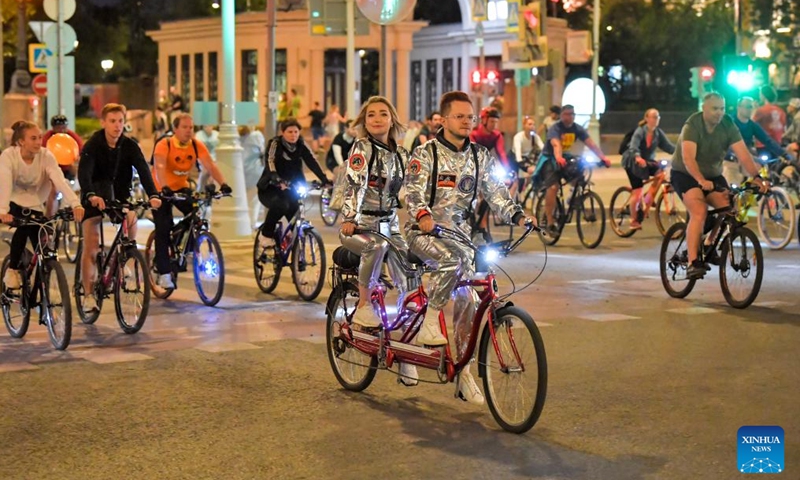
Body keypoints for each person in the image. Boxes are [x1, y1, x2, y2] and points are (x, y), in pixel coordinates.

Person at [405, 91, 535, 405]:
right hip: (424, 233)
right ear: (445, 119)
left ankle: (463, 373)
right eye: (460, 116)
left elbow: (496, 193)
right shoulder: (426, 154)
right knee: (452, 261)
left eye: (470, 117)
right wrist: (422, 215)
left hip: (461, 235)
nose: (466, 122)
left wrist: (518, 215)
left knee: (470, 301)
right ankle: (429, 320)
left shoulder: (479, 156)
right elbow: (412, 192)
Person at [338, 96, 417, 386]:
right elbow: (354, 184)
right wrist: (349, 215)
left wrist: (425, 214)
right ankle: (362, 304)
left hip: (391, 224)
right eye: (371, 115)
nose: (377, 119)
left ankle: (406, 355)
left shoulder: (403, 154)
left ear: (392, 120)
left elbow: (413, 189)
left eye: (383, 114)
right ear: (364, 121)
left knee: (412, 276)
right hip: (360, 225)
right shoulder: (362, 148)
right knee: (377, 246)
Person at [670, 92, 768, 280]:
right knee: (699, 210)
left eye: (722, 108)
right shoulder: (693, 124)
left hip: (713, 175)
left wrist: (756, 177)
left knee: (729, 207)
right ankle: (693, 262)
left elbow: (743, 154)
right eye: (714, 108)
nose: (719, 113)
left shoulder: (728, 125)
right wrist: (700, 180)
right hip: (685, 174)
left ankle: (708, 244)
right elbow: (688, 158)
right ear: (704, 109)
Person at [78, 103, 162, 313]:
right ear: (103, 123)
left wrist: (153, 194)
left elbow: (143, 169)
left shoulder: (129, 145)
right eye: (113, 121)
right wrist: (90, 195)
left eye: (120, 121)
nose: (117, 126)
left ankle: (124, 258)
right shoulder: (93, 145)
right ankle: (88, 294)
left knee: (131, 217)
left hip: (120, 195)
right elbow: (85, 173)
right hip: (95, 196)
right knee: (92, 244)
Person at [0, 121, 84, 289]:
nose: (39, 142)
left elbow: (59, 180)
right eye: (33, 138)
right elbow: (5, 183)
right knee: (24, 227)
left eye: (40, 137)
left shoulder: (46, 156)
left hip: (36, 201)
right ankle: (13, 269)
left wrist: (75, 204)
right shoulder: (9, 156)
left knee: (43, 240)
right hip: (13, 200)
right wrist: (3, 210)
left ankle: (41, 283)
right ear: (21, 142)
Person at [151, 114, 230, 289]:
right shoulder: (165, 144)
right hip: (160, 189)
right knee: (163, 227)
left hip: (180, 187)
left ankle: (182, 248)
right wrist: (164, 188)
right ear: (175, 129)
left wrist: (223, 184)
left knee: (195, 213)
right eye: (185, 127)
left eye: (191, 128)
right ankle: (163, 273)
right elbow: (160, 167)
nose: (189, 131)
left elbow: (210, 165)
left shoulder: (195, 145)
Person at [532, 104, 611, 236]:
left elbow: (591, 144)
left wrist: (603, 157)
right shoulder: (555, 128)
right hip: (550, 158)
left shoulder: (577, 128)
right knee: (553, 187)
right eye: (568, 114)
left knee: (579, 178)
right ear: (562, 116)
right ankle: (549, 221)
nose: (571, 116)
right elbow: (556, 144)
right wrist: (558, 156)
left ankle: (572, 199)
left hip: (566, 157)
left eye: (573, 114)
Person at [255, 118, 329, 247]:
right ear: (282, 132)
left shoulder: (301, 144)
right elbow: (270, 162)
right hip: (270, 188)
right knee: (281, 205)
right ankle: (266, 235)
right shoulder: (275, 144)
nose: (293, 135)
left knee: (296, 212)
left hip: (292, 187)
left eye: (296, 132)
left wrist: (324, 179)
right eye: (290, 132)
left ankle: (292, 245)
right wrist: (276, 179)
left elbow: (312, 161)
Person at [622, 108, 675, 230]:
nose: (656, 120)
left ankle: (647, 198)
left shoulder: (658, 133)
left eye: (658, 117)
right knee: (637, 190)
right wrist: (638, 157)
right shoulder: (640, 131)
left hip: (648, 162)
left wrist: (681, 152)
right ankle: (634, 220)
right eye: (654, 117)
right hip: (633, 162)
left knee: (661, 173)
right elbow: (634, 146)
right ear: (646, 119)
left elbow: (668, 146)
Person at [726, 97, 793, 185]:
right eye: (747, 107)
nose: (750, 109)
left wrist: (784, 154)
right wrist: (733, 153)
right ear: (739, 107)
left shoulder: (752, 125)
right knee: (731, 184)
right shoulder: (729, 122)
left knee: (758, 181)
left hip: (747, 157)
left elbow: (767, 140)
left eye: (751, 107)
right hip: (730, 159)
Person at [240, 125, 267, 229]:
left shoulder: (238, 138)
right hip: (255, 172)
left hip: (241, 173)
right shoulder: (256, 136)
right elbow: (262, 151)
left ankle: (244, 224)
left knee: (244, 200)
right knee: (254, 202)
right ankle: (251, 225)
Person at [512, 116, 545, 191]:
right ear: (524, 125)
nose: (532, 126)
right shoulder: (518, 137)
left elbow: (543, 148)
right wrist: (526, 167)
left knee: (535, 170)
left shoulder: (535, 137)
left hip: (526, 157)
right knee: (514, 181)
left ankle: (531, 186)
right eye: (529, 124)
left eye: (533, 124)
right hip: (515, 158)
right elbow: (518, 153)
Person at [195, 125, 220, 191]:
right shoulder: (198, 135)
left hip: (215, 159)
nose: (208, 127)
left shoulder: (217, 134)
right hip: (203, 159)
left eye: (210, 125)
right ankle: (200, 192)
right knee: (205, 172)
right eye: (206, 126)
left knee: (215, 172)